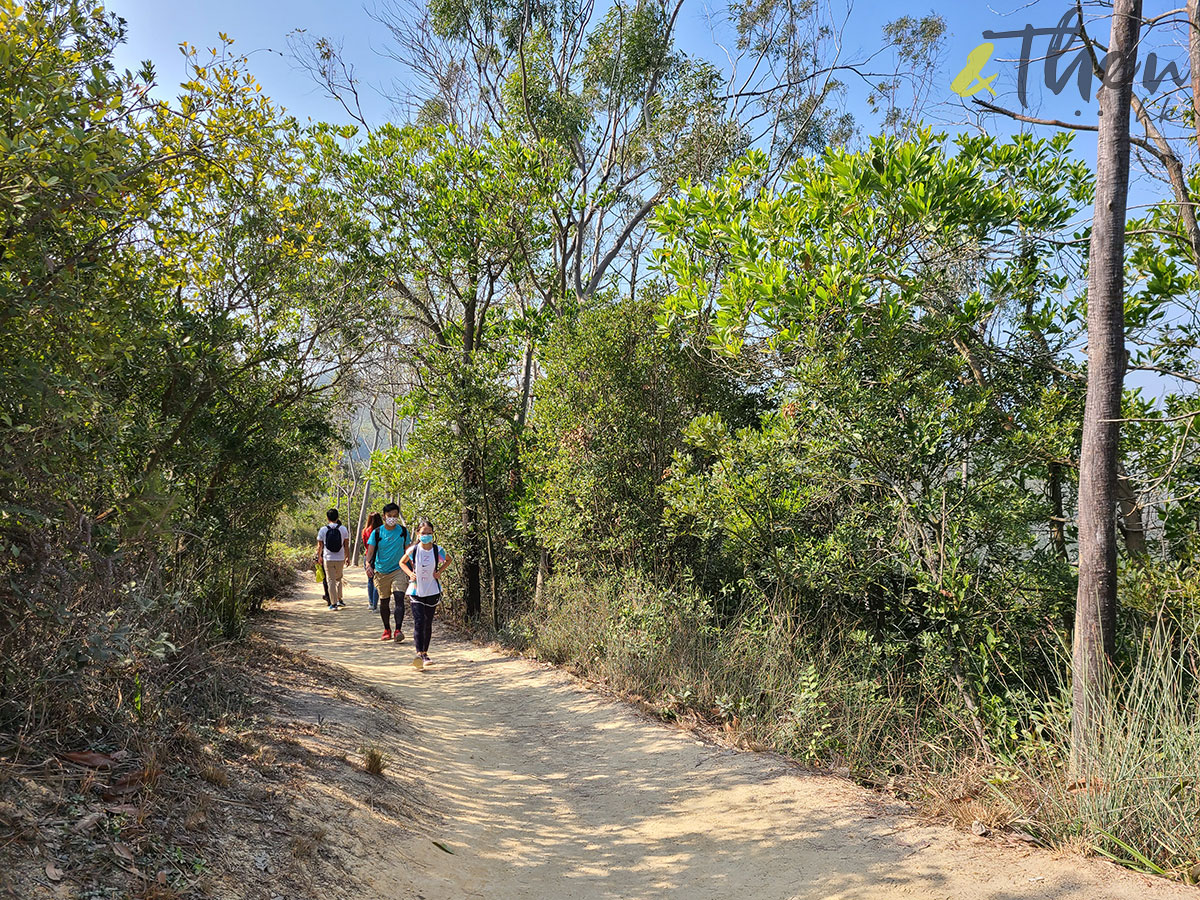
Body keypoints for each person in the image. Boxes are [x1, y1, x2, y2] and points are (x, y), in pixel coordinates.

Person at [400, 518, 451, 670]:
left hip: (433, 590)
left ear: (433, 534)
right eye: (423, 533)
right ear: (418, 534)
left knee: (428, 623)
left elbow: (448, 560)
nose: (426, 535)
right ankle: (419, 654)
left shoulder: (438, 550)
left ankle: (425, 653)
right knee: (419, 621)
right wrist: (410, 573)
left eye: (429, 533)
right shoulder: (413, 550)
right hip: (416, 590)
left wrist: (439, 572)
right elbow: (402, 562)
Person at [365, 503, 410, 642]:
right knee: (384, 602)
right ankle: (387, 629)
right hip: (381, 571)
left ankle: (398, 630)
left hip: (399, 570)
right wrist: (368, 565)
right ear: (384, 516)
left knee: (399, 599)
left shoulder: (403, 531)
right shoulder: (377, 532)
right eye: (389, 516)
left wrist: (413, 568)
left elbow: (408, 551)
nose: (392, 518)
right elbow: (371, 551)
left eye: (395, 516)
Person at [315, 509, 350, 610]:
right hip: (340, 558)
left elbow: (319, 546)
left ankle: (333, 604)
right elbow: (346, 545)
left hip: (328, 557)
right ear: (337, 517)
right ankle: (339, 599)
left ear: (327, 518)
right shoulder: (343, 529)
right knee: (339, 578)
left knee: (330, 580)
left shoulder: (323, 530)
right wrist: (347, 557)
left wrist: (319, 557)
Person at [361, 512, 383, 611]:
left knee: (370, 580)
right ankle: (375, 604)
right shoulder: (382, 531)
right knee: (377, 580)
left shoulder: (365, 531)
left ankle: (370, 602)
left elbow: (366, 545)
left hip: (368, 556)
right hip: (379, 556)